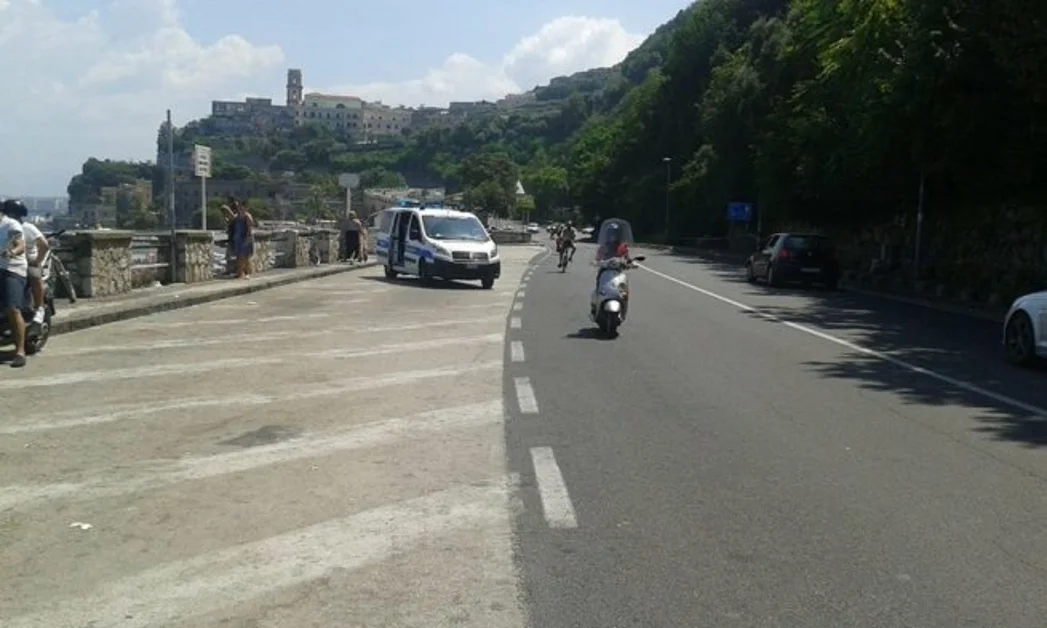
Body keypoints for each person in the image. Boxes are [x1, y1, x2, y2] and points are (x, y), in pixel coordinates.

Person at [0, 199, 28, 367]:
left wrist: (12, 252)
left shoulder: (11, 225)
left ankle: (20, 351)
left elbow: (20, 244)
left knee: (12, 308)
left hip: (13, 269)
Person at [12, 203, 49, 324]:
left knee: (33, 276)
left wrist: (37, 261)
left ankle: (39, 307)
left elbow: (44, 245)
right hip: (11, 261)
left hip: (28, 260)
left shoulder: (28, 228)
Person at [230, 200, 255, 279]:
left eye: (242, 207)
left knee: (245, 256)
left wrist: (247, 239)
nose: (240, 208)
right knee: (239, 256)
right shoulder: (238, 216)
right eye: (239, 207)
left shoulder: (247, 216)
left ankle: (247, 273)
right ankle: (239, 273)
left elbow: (249, 229)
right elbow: (231, 219)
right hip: (238, 238)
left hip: (245, 238)